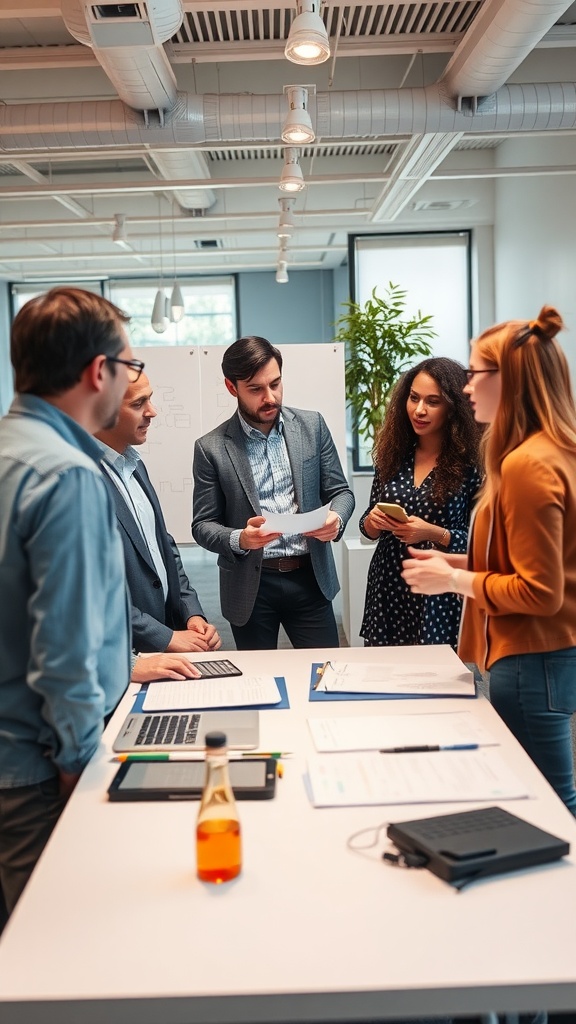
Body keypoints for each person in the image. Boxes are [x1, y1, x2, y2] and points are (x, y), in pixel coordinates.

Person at [402, 307, 576, 814]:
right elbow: (529, 561)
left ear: (513, 380)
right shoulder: (554, 450)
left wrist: (455, 580)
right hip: (551, 653)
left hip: (529, 657)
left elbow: (540, 592)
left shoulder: (526, 465)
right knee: (552, 792)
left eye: (478, 373)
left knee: (547, 800)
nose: (468, 387)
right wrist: (453, 565)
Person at [0, 286, 136, 924]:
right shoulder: (68, 476)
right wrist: (81, 767)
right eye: (130, 366)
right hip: (38, 764)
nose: (132, 380)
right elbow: (65, 651)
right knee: (54, 956)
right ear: (97, 372)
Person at [192, 336, 355, 650]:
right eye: (255, 389)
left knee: (325, 676)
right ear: (232, 387)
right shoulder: (210, 448)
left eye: (276, 384)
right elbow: (202, 525)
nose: (270, 397)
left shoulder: (312, 426)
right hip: (252, 584)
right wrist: (241, 538)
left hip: (310, 577)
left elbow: (341, 491)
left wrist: (336, 517)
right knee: (258, 683)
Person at [96, 373, 221, 662]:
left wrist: (191, 613)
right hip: (121, 656)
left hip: (166, 638)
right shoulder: (81, 482)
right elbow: (94, 595)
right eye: (139, 403)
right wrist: (164, 638)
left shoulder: (134, 464)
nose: (153, 411)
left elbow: (164, 546)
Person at [359, 357, 482, 649]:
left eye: (433, 401)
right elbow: (367, 526)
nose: (419, 410)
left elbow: (482, 543)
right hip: (389, 581)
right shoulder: (393, 455)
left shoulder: (471, 466)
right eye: (413, 398)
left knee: (437, 680)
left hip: (439, 586)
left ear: (453, 408)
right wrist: (372, 522)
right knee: (385, 677)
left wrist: (432, 533)